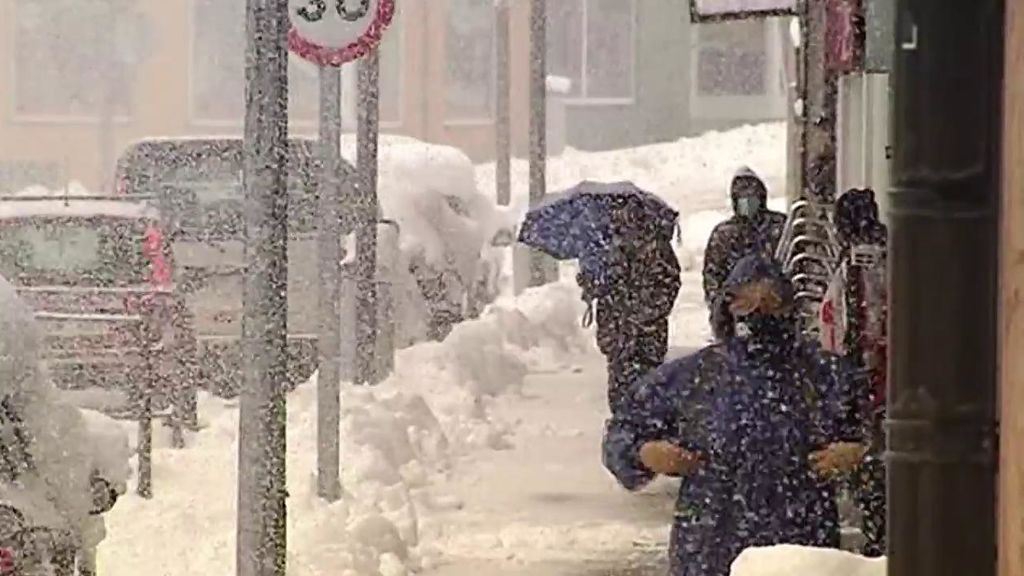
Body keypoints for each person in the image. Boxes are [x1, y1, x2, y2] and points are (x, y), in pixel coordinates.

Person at [603, 254, 864, 576]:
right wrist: (644, 453)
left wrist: (857, 455)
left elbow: (892, 445)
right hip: (710, 549)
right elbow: (623, 432)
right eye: (746, 302)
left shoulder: (825, 374)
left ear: (788, 308)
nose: (758, 312)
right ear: (727, 308)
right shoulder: (692, 376)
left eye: (770, 301)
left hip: (801, 551)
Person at [818, 187, 888, 557]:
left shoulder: (863, 261)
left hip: (871, 382)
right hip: (877, 381)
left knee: (872, 464)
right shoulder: (885, 253)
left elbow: (859, 328)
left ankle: (881, 539)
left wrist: (854, 374)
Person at [577, 197, 681, 413]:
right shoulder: (603, 247)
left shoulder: (655, 245)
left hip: (647, 337)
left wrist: (645, 311)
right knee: (620, 396)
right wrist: (590, 283)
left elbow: (670, 284)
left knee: (649, 397)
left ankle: (642, 438)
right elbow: (597, 288)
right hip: (617, 336)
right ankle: (624, 436)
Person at [702, 167, 787, 334]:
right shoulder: (724, 234)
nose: (748, 202)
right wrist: (722, 311)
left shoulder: (779, 226)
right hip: (736, 315)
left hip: (774, 312)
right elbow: (712, 278)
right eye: (743, 197)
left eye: (752, 196)